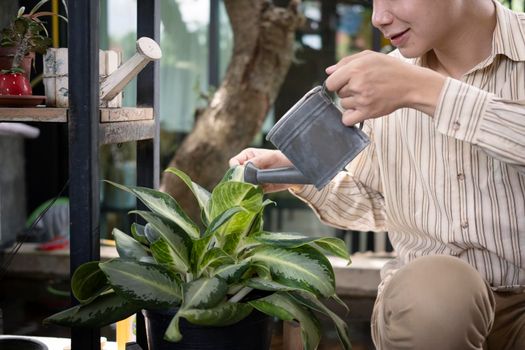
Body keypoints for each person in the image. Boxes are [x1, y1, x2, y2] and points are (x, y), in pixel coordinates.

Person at [229, 0, 525, 349]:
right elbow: (377, 202)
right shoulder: (386, 79)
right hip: (428, 312)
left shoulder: (398, 80)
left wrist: (427, 91)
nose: (379, 17)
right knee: (441, 290)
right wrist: (300, 173)